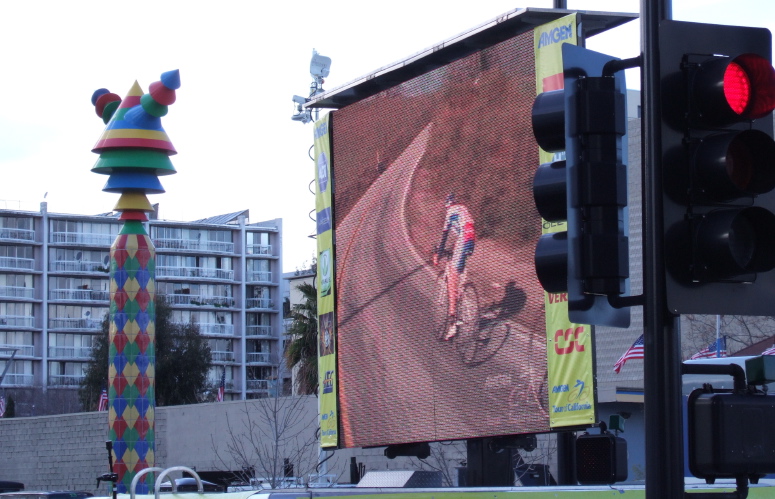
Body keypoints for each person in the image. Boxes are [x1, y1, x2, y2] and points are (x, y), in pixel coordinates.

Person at [433, 193, 476, 340]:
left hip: (464, 239)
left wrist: (438, 254)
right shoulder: (462, 208)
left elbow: (444, 237)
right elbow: (461, 232)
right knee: (457, 269)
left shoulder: (449, 213)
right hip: (469, 239)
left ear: (447, 205)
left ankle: (452, 318)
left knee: (451, 278)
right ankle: (461, 293)